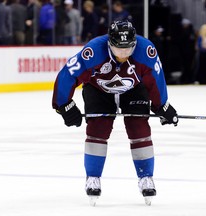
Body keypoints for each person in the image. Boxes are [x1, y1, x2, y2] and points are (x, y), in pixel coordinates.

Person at [52, 20, 178, 204]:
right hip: (98, 89)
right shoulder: (94, 51)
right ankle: (92, 177)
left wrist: (162, 106)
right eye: (119, 49)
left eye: (128, 49)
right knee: (98, 128)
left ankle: (146, 177)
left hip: (134, 89)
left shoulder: (146, 51)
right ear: (109, 43)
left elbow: (155, 79)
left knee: (139, 126)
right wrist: (64, 105)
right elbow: (68, 74)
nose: (124, 54)